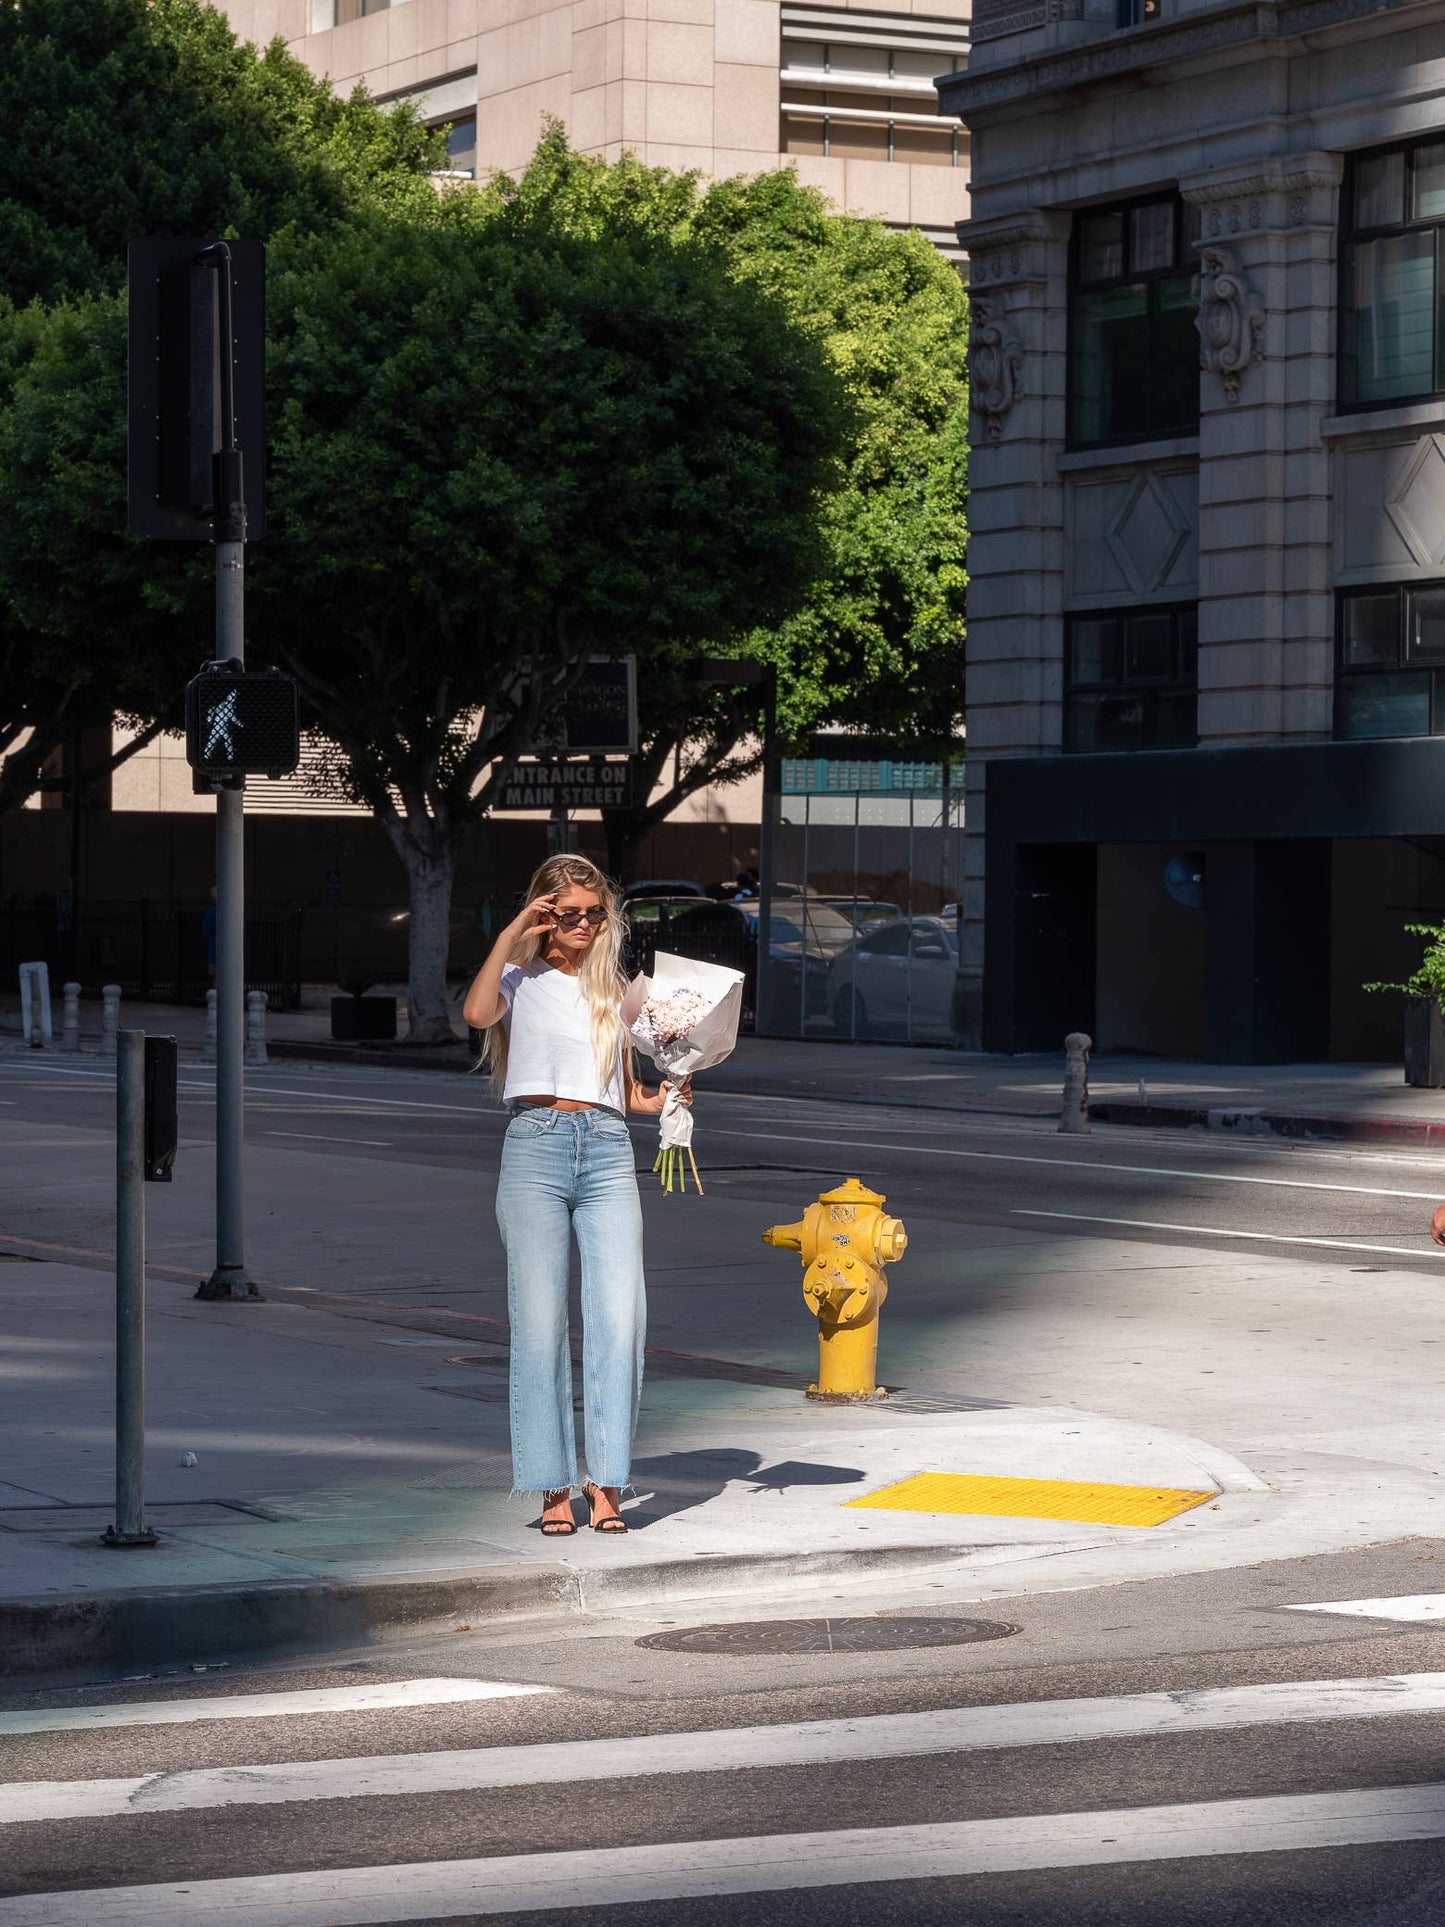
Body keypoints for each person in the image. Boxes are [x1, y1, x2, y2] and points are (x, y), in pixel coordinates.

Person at [462, 855, 689, 1537]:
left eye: (595, 912)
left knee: (621, 1317)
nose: (585, 924)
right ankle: (551, 1483)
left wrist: (667, 1095)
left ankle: (607, 1478)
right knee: (537, 1323)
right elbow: (474, 1013)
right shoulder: (517, 978)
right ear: (543, 913)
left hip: (609, 1150)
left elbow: (624, 1091)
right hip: (534, 1144)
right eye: (570, 913)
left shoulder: (616, 990)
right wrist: (511, 934)